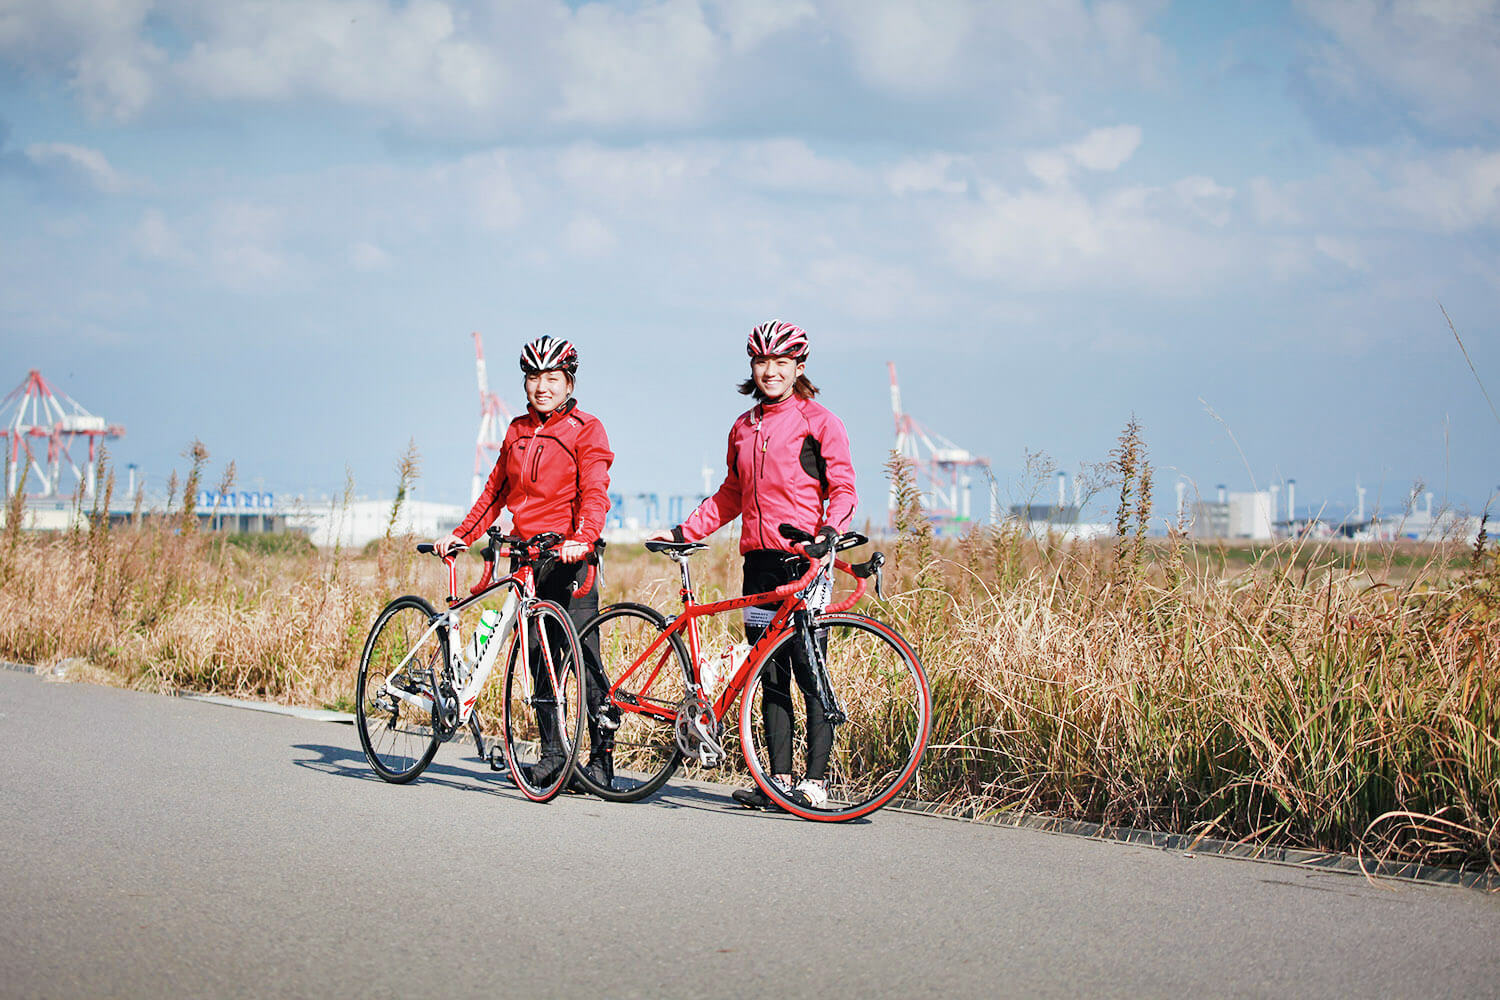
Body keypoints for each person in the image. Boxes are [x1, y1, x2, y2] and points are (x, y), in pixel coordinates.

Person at [649, 320, 856, 810]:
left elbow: (843, 487)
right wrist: (684, 532)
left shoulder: (819, 421)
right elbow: (731, 496)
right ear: (752, 368)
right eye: (762, 363)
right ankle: (777, 782)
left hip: (805, 561)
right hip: (758, 563)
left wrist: (830, 533)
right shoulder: (743, 427)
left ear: (798, 368)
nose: (770, 371)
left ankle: (816, 783)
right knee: (770, 672)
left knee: (810, 668)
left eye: (781, 363)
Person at [434, 335, 618, 790]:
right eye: (534, 377)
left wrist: (583, 537)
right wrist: (462, 534)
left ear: (568, 381)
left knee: (583, 659)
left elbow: (595, 491)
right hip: (527, 560)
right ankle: (554, 755)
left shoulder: (585, 428)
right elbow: (495, 492)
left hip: (570, 559)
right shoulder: (516, 430)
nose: (542, 386)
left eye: (552, 378)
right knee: (538, 659)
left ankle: (600, 760)